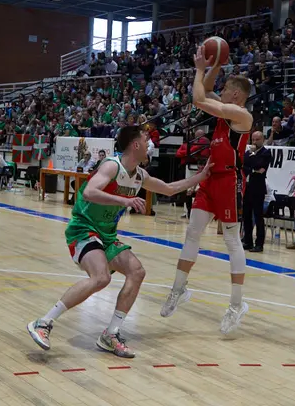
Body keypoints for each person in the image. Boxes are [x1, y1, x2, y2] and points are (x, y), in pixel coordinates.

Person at [27, 126, 214, 358]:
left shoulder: (139, 175)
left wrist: (201, 176)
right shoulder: (112, 166)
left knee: (137, 271)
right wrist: (123, 200)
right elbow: (89, 192)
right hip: (83, 228)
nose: (150, 145)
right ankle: (43, 323)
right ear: (135, 145)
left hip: (105, 235)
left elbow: (168, 189)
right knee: (101, 277)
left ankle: (111, 334)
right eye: (146, 141)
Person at [161, 45, 254, 334]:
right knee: (192, 232)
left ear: (235, 95)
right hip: (210, 178)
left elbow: (200, 97)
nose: (221, 90)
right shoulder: (225, 109)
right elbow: (209, 89)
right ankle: (178, 289)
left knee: (231, 242)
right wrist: (213, 65)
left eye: (226, 88)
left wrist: (199, 69)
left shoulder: (241, 116)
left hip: (229, 181)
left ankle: (236, 304)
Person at [242, 131, 272, 253]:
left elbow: (260, 164)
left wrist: (253, 164)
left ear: (263, 139)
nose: (254, 142)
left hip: (258, 188)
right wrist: (253, 169)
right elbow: (243, 164)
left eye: (257, 139)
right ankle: (247, 241)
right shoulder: (248, 152)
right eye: (253, 139)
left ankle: (259, 243)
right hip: (247, 187)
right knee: (246, 215)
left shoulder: (266, 152)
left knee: (258, 216)